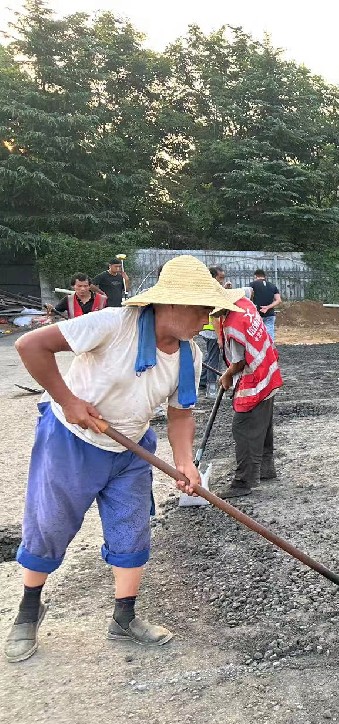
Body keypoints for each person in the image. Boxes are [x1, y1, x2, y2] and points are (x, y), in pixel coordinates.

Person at [4, 255, 241, 663]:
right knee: (50, 524)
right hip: (71, 439)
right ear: (170, 303)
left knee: (132, 530)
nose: (206, 318)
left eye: (210, 310)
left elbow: (180, 413)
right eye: (201, 308)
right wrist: (69, 400)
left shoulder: (190, 354)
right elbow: (31, 344)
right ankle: (27, 611)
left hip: (130, 447)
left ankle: (124, 617)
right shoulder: (114, 324)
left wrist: (185, 462)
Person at [216, 287, 283, 498]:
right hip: (268, 371)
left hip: (256, 377)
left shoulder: (233, 327)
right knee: (262, 423)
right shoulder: (245, 305)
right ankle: (266, 468)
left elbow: (239, 361)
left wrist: (226, 375)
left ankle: (243, 481)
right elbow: (249, 290)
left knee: (242, 427)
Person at [198, 266, 226, 396]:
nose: (222, 280)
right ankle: (212, 389)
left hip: (207, 330)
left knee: (210, 356)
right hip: (212, 331)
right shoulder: (212, 291)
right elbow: (215, 316)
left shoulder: (207, 289)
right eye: (220, 278)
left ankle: (202, 381)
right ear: (213, 277)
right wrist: (220, 337)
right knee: (215, 360)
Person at [249, 269, 281, 342]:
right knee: (269, 336)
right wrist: (267, 307)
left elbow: (249, 297)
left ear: (255, 276)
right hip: (270, 314)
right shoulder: (273, 286)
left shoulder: (252, 285)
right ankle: (270, 350)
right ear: (265, 276)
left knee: (257, 335)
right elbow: (278, 300)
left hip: (257, 314)